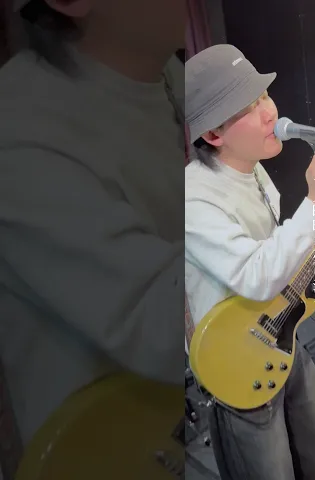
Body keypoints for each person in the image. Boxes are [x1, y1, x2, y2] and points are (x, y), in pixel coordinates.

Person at [0, 0, 187, 476]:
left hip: (195, 417)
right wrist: (305, 225)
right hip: (113, 454)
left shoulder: (165, 73)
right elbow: (165, 324)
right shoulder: (20, 132)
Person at [184, 44, 315, 480]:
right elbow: (254, 275)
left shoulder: (254, 169)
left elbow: (271, 250)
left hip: (277, 330)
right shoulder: (191, 198)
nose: (270, 112)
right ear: (214, 135)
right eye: (248, 107)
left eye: (264, 96)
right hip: (234, 355)